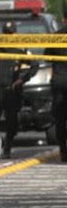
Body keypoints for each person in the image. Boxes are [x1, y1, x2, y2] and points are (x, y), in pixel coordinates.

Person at [0, 20, 35, 160]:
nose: (8, 36)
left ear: (16, 34)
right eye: (6, 33)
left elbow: (34, 65)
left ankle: (7, 148)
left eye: (11, 33)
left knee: (12, 122)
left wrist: (22, 80)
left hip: (12, 90)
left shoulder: (22, 49)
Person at [46, 17, 67, 162]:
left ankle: (63, 151)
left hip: (59, 79)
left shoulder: (56, 36)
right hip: (60, 79)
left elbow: (47, 56)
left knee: (60, 118)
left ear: (64, 19)